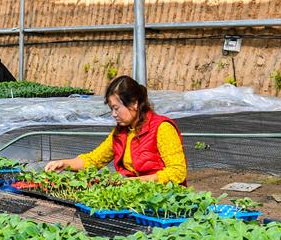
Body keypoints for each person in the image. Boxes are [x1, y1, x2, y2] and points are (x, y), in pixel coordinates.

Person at [45, 75, 187, 185]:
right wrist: (65, 164)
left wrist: (134, 182)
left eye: (116, 108)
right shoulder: (121, 132)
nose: (113, 114)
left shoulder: (162, 128)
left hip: (164, 197)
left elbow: (177, 172)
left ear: (134, 103)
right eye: (111, 109)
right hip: (135, 194)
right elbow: (94, 160)